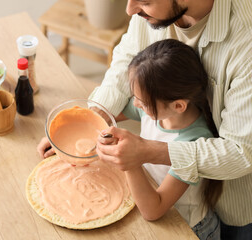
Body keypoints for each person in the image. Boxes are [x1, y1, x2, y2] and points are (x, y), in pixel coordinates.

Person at [38, 1, 252, 239]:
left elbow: (241, 152)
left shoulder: (247, 38)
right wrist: (82, 126)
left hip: (225, 207)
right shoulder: (147, 14)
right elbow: (123, 69)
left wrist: (142, 154)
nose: (130, 10)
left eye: (145, 0)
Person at [107, 38, 221, 239]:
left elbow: (153, 210)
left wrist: (130, 162)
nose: (135, 104)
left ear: (178, 106)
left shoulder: (193, 144)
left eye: (142, 101)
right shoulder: (155, 110)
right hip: (152, 200)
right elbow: (107, 115)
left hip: (187, 228)